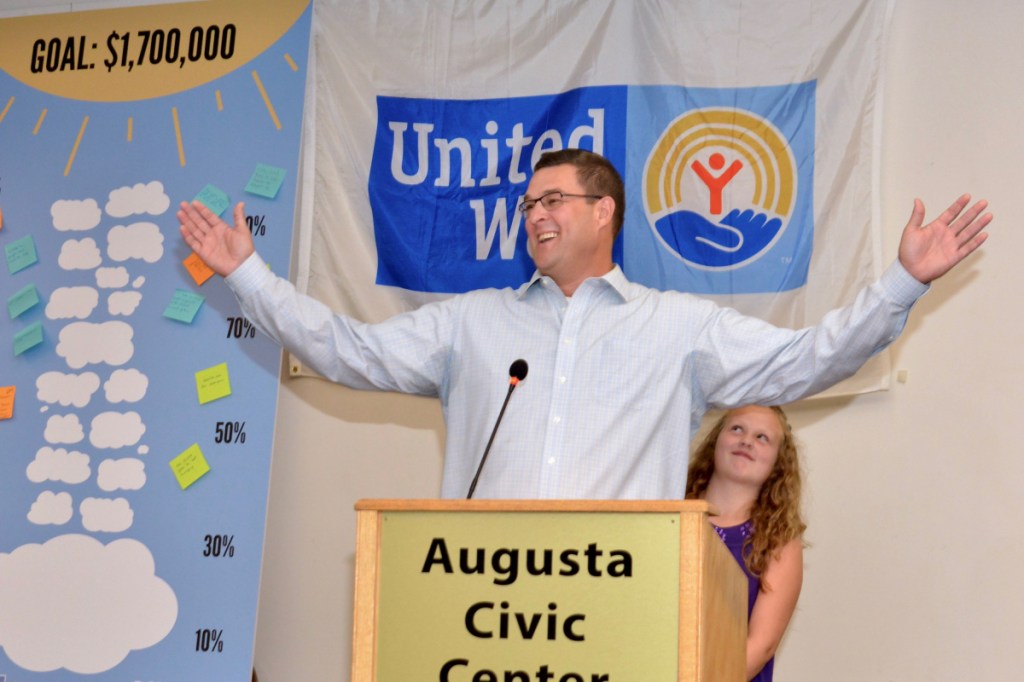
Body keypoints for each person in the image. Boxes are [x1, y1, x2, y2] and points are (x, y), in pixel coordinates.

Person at [177, 148, 990, 499]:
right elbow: (346, 351)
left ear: (605, 213)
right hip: (484, 609)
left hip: (621, 609)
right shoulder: (473, 324)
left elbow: (810, 359)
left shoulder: (679, 328)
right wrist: (246, 272)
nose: (533, 215)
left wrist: (899, 284)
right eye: (527, 204)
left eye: (552, 201)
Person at [686, 405, 804, 682]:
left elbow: (760, 646)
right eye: (737, 429)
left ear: (778, 462)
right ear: (715, 442)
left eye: (762, 437)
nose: (746, 440)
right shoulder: (670, 516)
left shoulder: (780, 542)